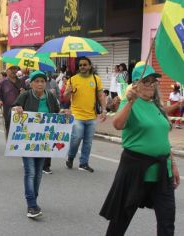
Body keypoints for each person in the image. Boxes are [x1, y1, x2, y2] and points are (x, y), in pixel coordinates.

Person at [100, 62, 180, 236]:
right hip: (135, 170)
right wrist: (129, 101)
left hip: (162, 171)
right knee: (121, 218)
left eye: (154, 81)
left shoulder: (156, 105)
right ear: (136, 84)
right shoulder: (130, 103)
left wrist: (173, 164)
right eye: (146, 81)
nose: (151, 85)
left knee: (167, 219)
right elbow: (118, 124)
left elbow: (162, 138)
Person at [12, 70, 66, 218]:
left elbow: (56, 112)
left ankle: (33, 198)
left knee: (38, 173)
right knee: (30, 172)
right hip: (27, 141)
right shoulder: (25, 95)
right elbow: (14, 109)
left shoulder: (50, 96)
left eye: (43, 81)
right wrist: (17, 109)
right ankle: (31, 205)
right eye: (37, 81)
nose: (40, 84)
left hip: (44, 141)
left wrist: (64, 113)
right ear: (31, 83)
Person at [64, 56, 107, 172]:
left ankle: (83, 163)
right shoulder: (72, 80)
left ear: (90, 66)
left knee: (88, 141)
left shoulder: (96, 79)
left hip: (91, 116)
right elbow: (66, 98)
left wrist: (104, 110)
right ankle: (71, 156)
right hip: (77, 115)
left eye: (85, 64)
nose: (82, 67)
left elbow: (100, 95)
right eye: (80, 65)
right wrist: (68, 92)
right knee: (76, 137)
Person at [0, 65, 26, 137]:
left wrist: (24, 92)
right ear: (7, 70)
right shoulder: (2, 82)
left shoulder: (21, 81)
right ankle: (9, 146)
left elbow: (27, 94)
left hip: (20, 110)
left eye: (15, 69)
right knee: (9, 130)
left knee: (20, 131)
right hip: (8, 111)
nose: (13, 71)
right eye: (11, 69)